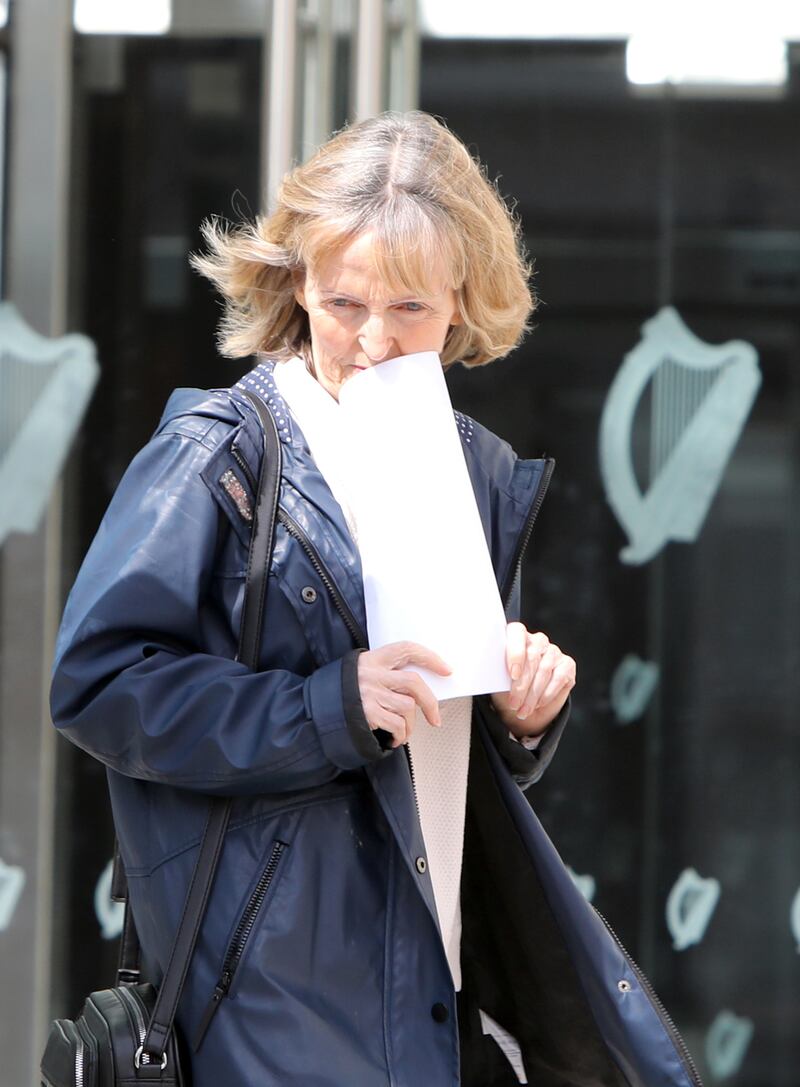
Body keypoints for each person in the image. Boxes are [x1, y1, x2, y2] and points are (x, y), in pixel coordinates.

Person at [51, 112, 697, 1087]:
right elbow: (96, 684)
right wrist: (328, 705)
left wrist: (518, 717)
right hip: (265, 1006)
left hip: (431, 987)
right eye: (344, 301)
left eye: (410, 306)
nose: (373, 338)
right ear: (296, 284)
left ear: (463, 300)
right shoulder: (217, 453)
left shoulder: (472, 470)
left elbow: (435, 752)